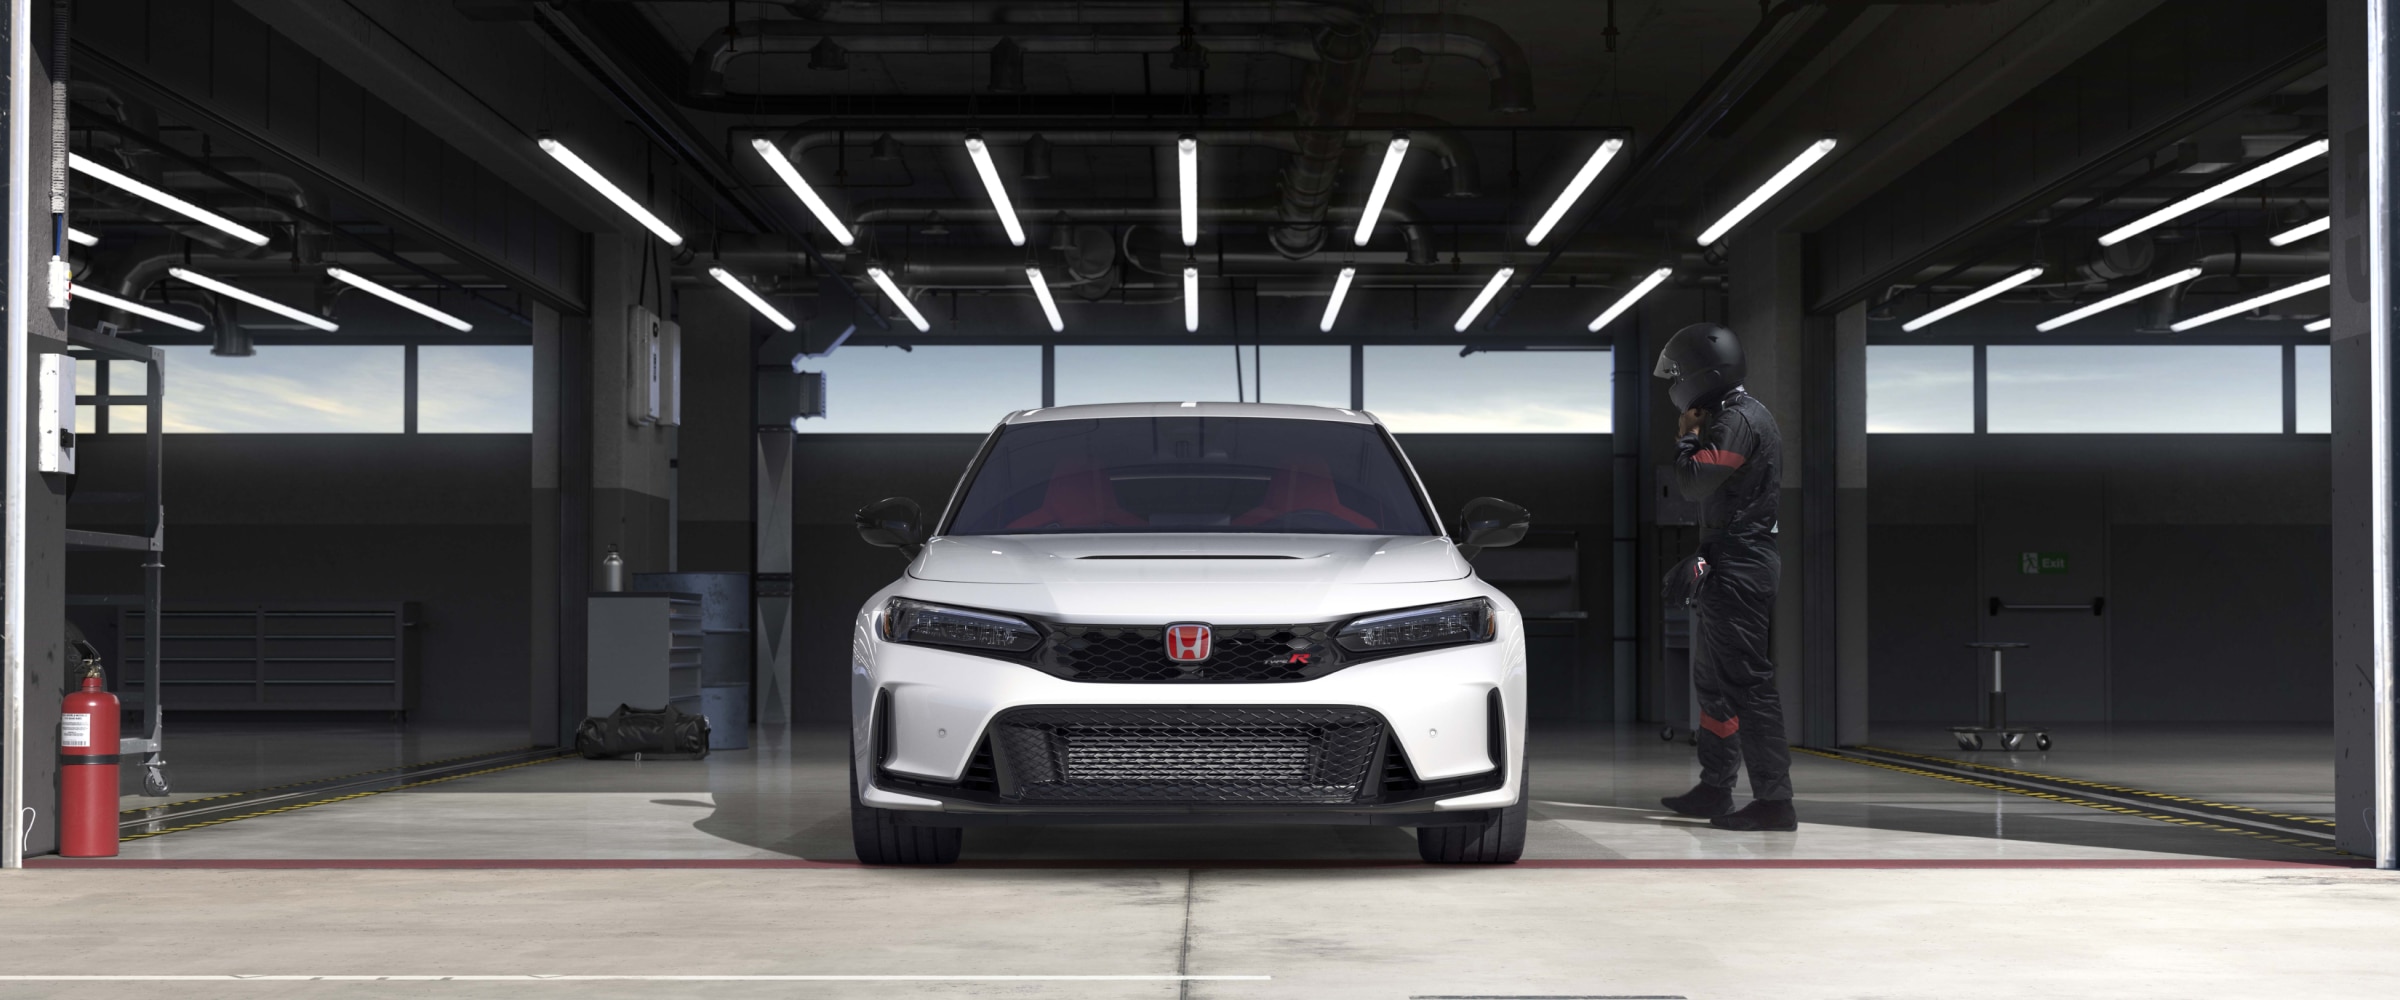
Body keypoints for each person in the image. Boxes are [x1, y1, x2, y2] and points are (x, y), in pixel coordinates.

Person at [1654, 322, 1797, 832]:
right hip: (1730, 558)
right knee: (1714, 683)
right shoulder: (1738, 413)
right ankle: (1716, 788)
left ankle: (1774, 801)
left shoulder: (1736, 420)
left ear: (1698, 374)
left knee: (1746, 684)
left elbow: (1695, 484)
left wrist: (1687, 439)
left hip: (1740, 564)